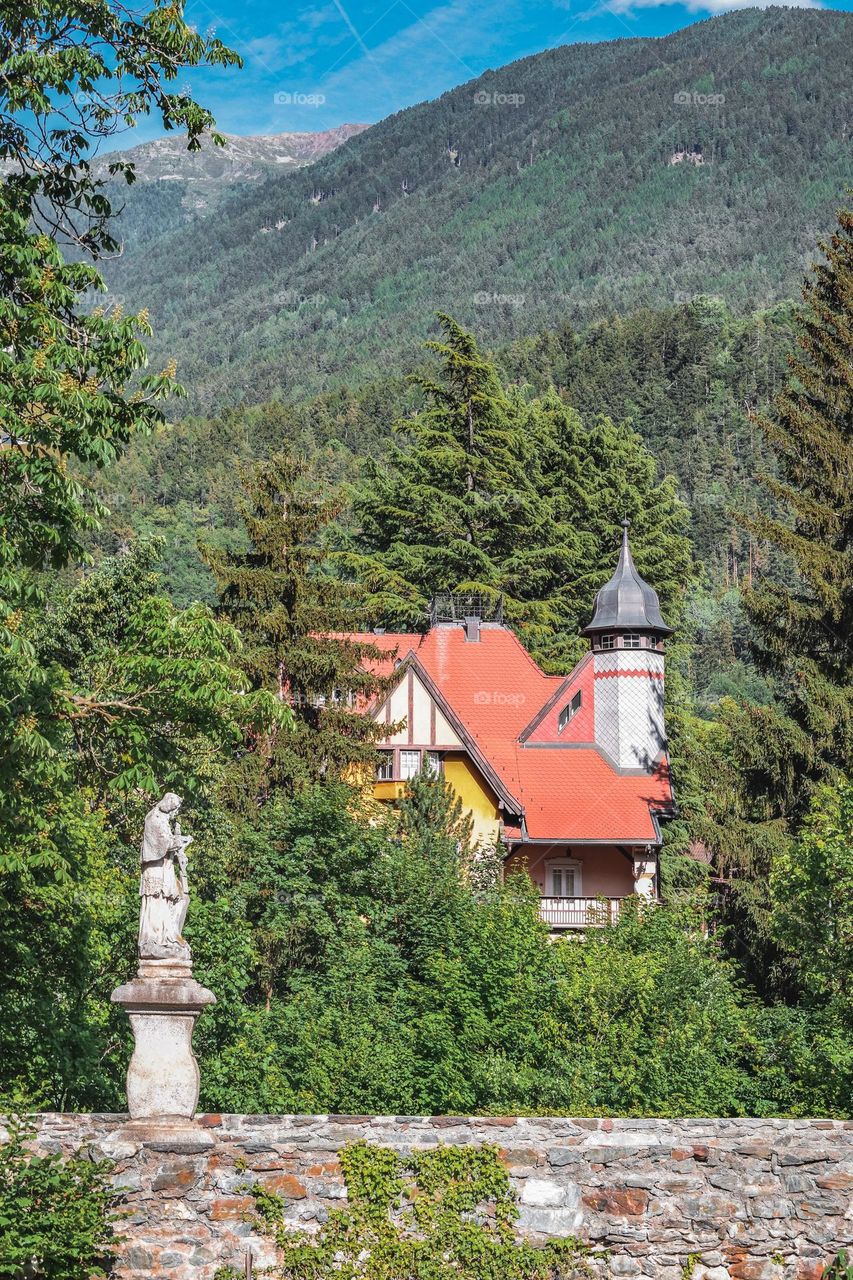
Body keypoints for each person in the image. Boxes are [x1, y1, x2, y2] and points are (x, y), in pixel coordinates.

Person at [138, 792, 193, 959]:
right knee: (156, 899)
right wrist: (180, 841)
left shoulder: (163, 820)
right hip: (155, 870)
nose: (173, 813)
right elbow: (161, 845)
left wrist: (178, 853)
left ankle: (166, 937)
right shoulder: (153, 818)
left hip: (165, 869)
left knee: (173, 900)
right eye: (172, 809)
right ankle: (153, 939)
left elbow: (167, 848)